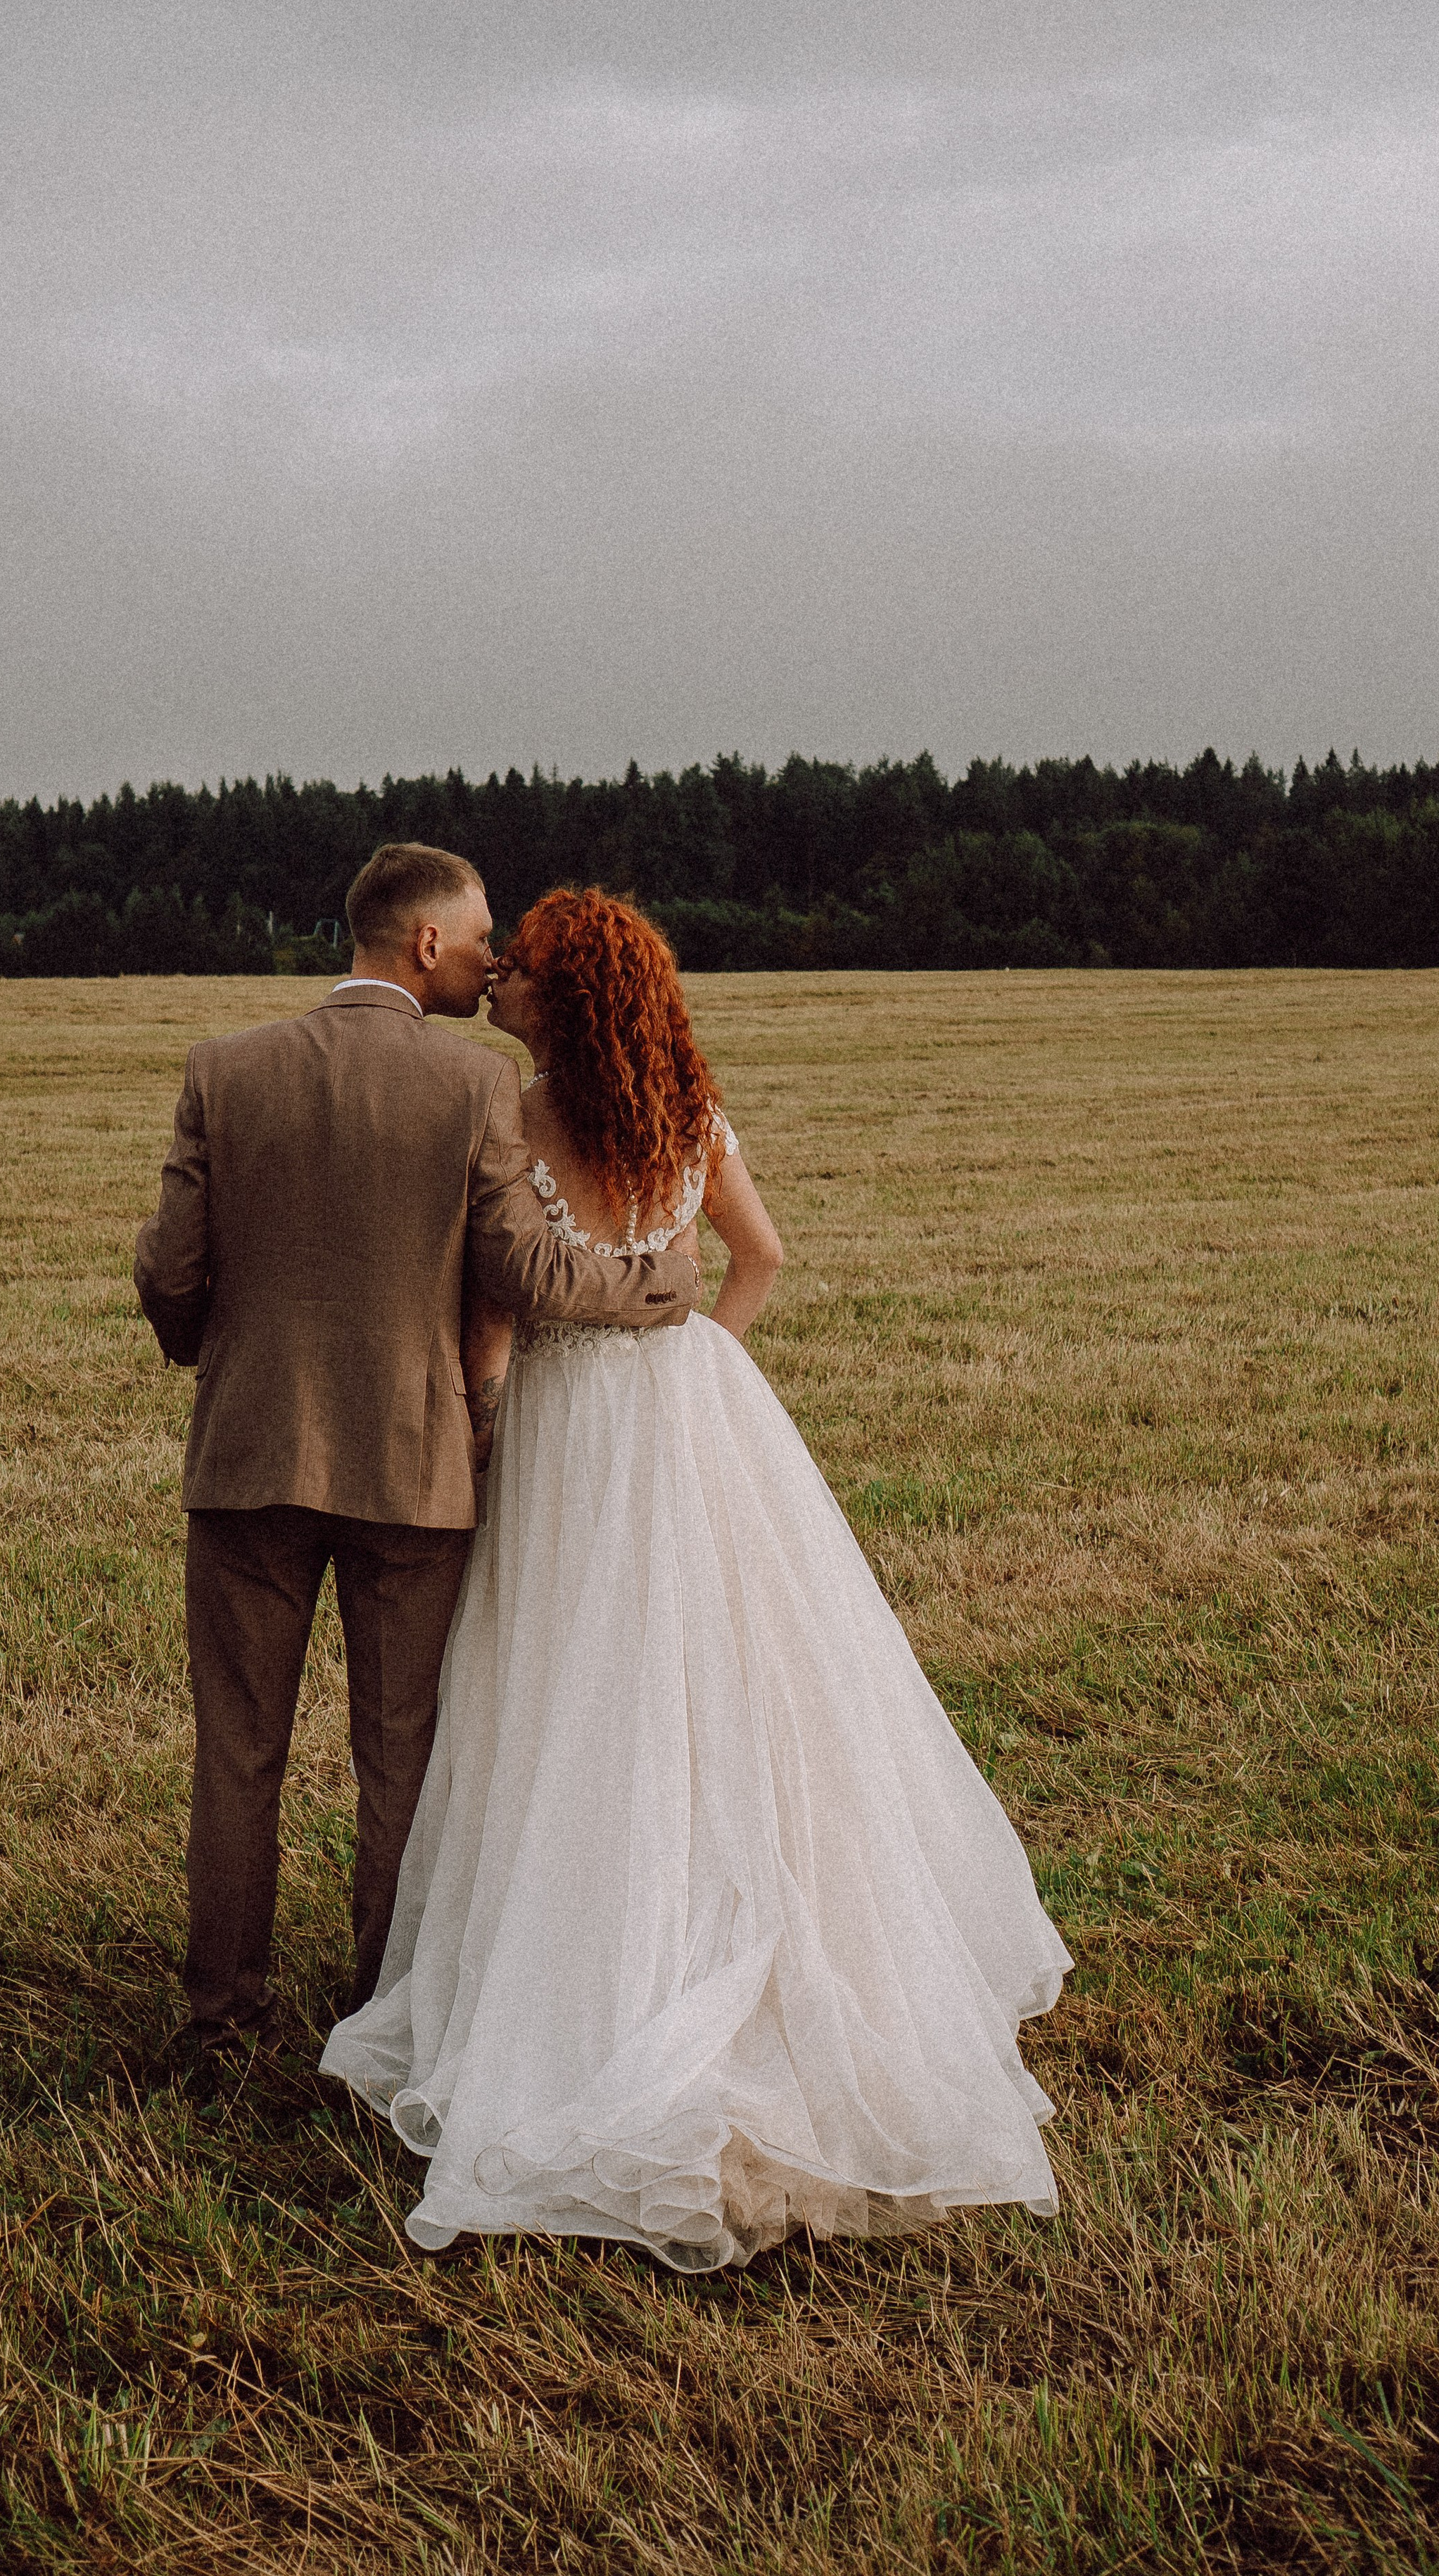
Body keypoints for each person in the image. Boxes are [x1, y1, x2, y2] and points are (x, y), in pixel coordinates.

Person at [322, 886, 1072, 2271]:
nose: (500, 985)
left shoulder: (510, 1117)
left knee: (567, 1685)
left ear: (570, 996)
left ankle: (590, 1967)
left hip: (565, 1431)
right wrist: (703, 1360)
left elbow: (492, 1320)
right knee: (724, 1671)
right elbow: (762, 1257)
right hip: (684, 1417)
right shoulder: (682, 1112)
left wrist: (487, 1424)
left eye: (526, 972)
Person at [133, 845, 699, 2060]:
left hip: (248, 1458)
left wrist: (212, 1352)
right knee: (402, 1757)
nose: (498, 956)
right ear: (427, 945)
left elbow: (170, 1275)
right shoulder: (473, 1089)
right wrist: (663, 1278)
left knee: (237, 1752)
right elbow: (526, 1271)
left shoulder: (223, 1070)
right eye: (484, 933)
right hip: (413, 1471)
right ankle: (384, 2011)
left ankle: (218, 2019)